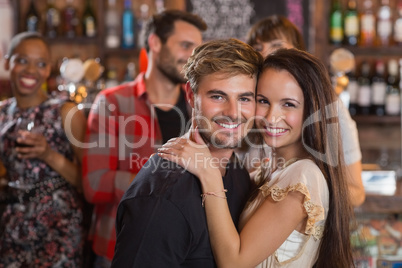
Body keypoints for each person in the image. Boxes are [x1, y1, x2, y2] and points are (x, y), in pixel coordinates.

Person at [160, 48, 354, 267]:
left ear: (311, 110)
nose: (271, 117)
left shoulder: (304, 176)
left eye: (288, 104)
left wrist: (208, 172)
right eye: (262, 101)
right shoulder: (270, 170)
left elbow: (234, 263)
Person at [111, 38, 264, 267]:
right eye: (218, 96)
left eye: (244, 98)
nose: (233, 112)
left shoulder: (236, 170)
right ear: (191, 96)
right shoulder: (163, 196)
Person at [82, 9, 207, 265]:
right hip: (120, 248)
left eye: (197, 49)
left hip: (185, 250)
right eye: (185, 45)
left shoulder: (199, 106)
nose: (193, 56)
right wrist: (161, 185)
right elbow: (94, 184)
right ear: (155, 43)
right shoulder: (112, 102)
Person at [244, 15, 365, 207]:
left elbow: (356, 192)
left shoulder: (327, 106)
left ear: (298, 52)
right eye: (258, 48)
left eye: (277, 46)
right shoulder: (246, 100)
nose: (266, 54)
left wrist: (299, 202)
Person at [0, 32, 86, 266]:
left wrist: (48, 155)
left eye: (40, 64)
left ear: (49, 70)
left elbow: (88, 182)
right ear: (8, 63)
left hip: (59, 227)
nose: (31, 70)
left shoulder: (66, 112)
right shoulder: (2, 112)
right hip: (12, 227)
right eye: (22, 60)